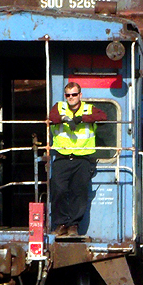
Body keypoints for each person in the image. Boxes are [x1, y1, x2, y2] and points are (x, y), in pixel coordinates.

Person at [46, 82, 108, 238]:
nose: (71, 98)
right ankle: (60, 224)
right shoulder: (59, 107)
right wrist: (65, 118)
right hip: (62, 157)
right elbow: (51, 117)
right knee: (58, 190)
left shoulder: (88, 108)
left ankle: (73, 225)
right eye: (68, 95)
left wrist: (81, 119)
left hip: (83, 158)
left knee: (78, 192)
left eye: (74, 94)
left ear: (80, 95)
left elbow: (103, 116)